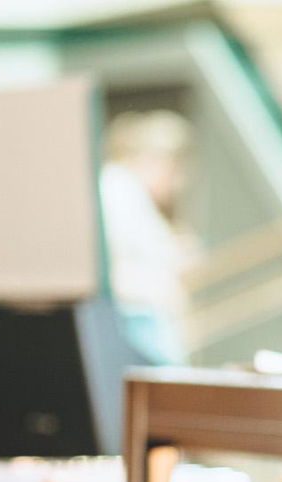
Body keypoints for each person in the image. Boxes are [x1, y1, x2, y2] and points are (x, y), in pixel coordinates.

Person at [98, 109, 196, 366]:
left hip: (142, 319)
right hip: (134, 321)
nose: (177, 183)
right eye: (174, 169)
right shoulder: (119, 188)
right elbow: (113, 267)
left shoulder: (126, 190)